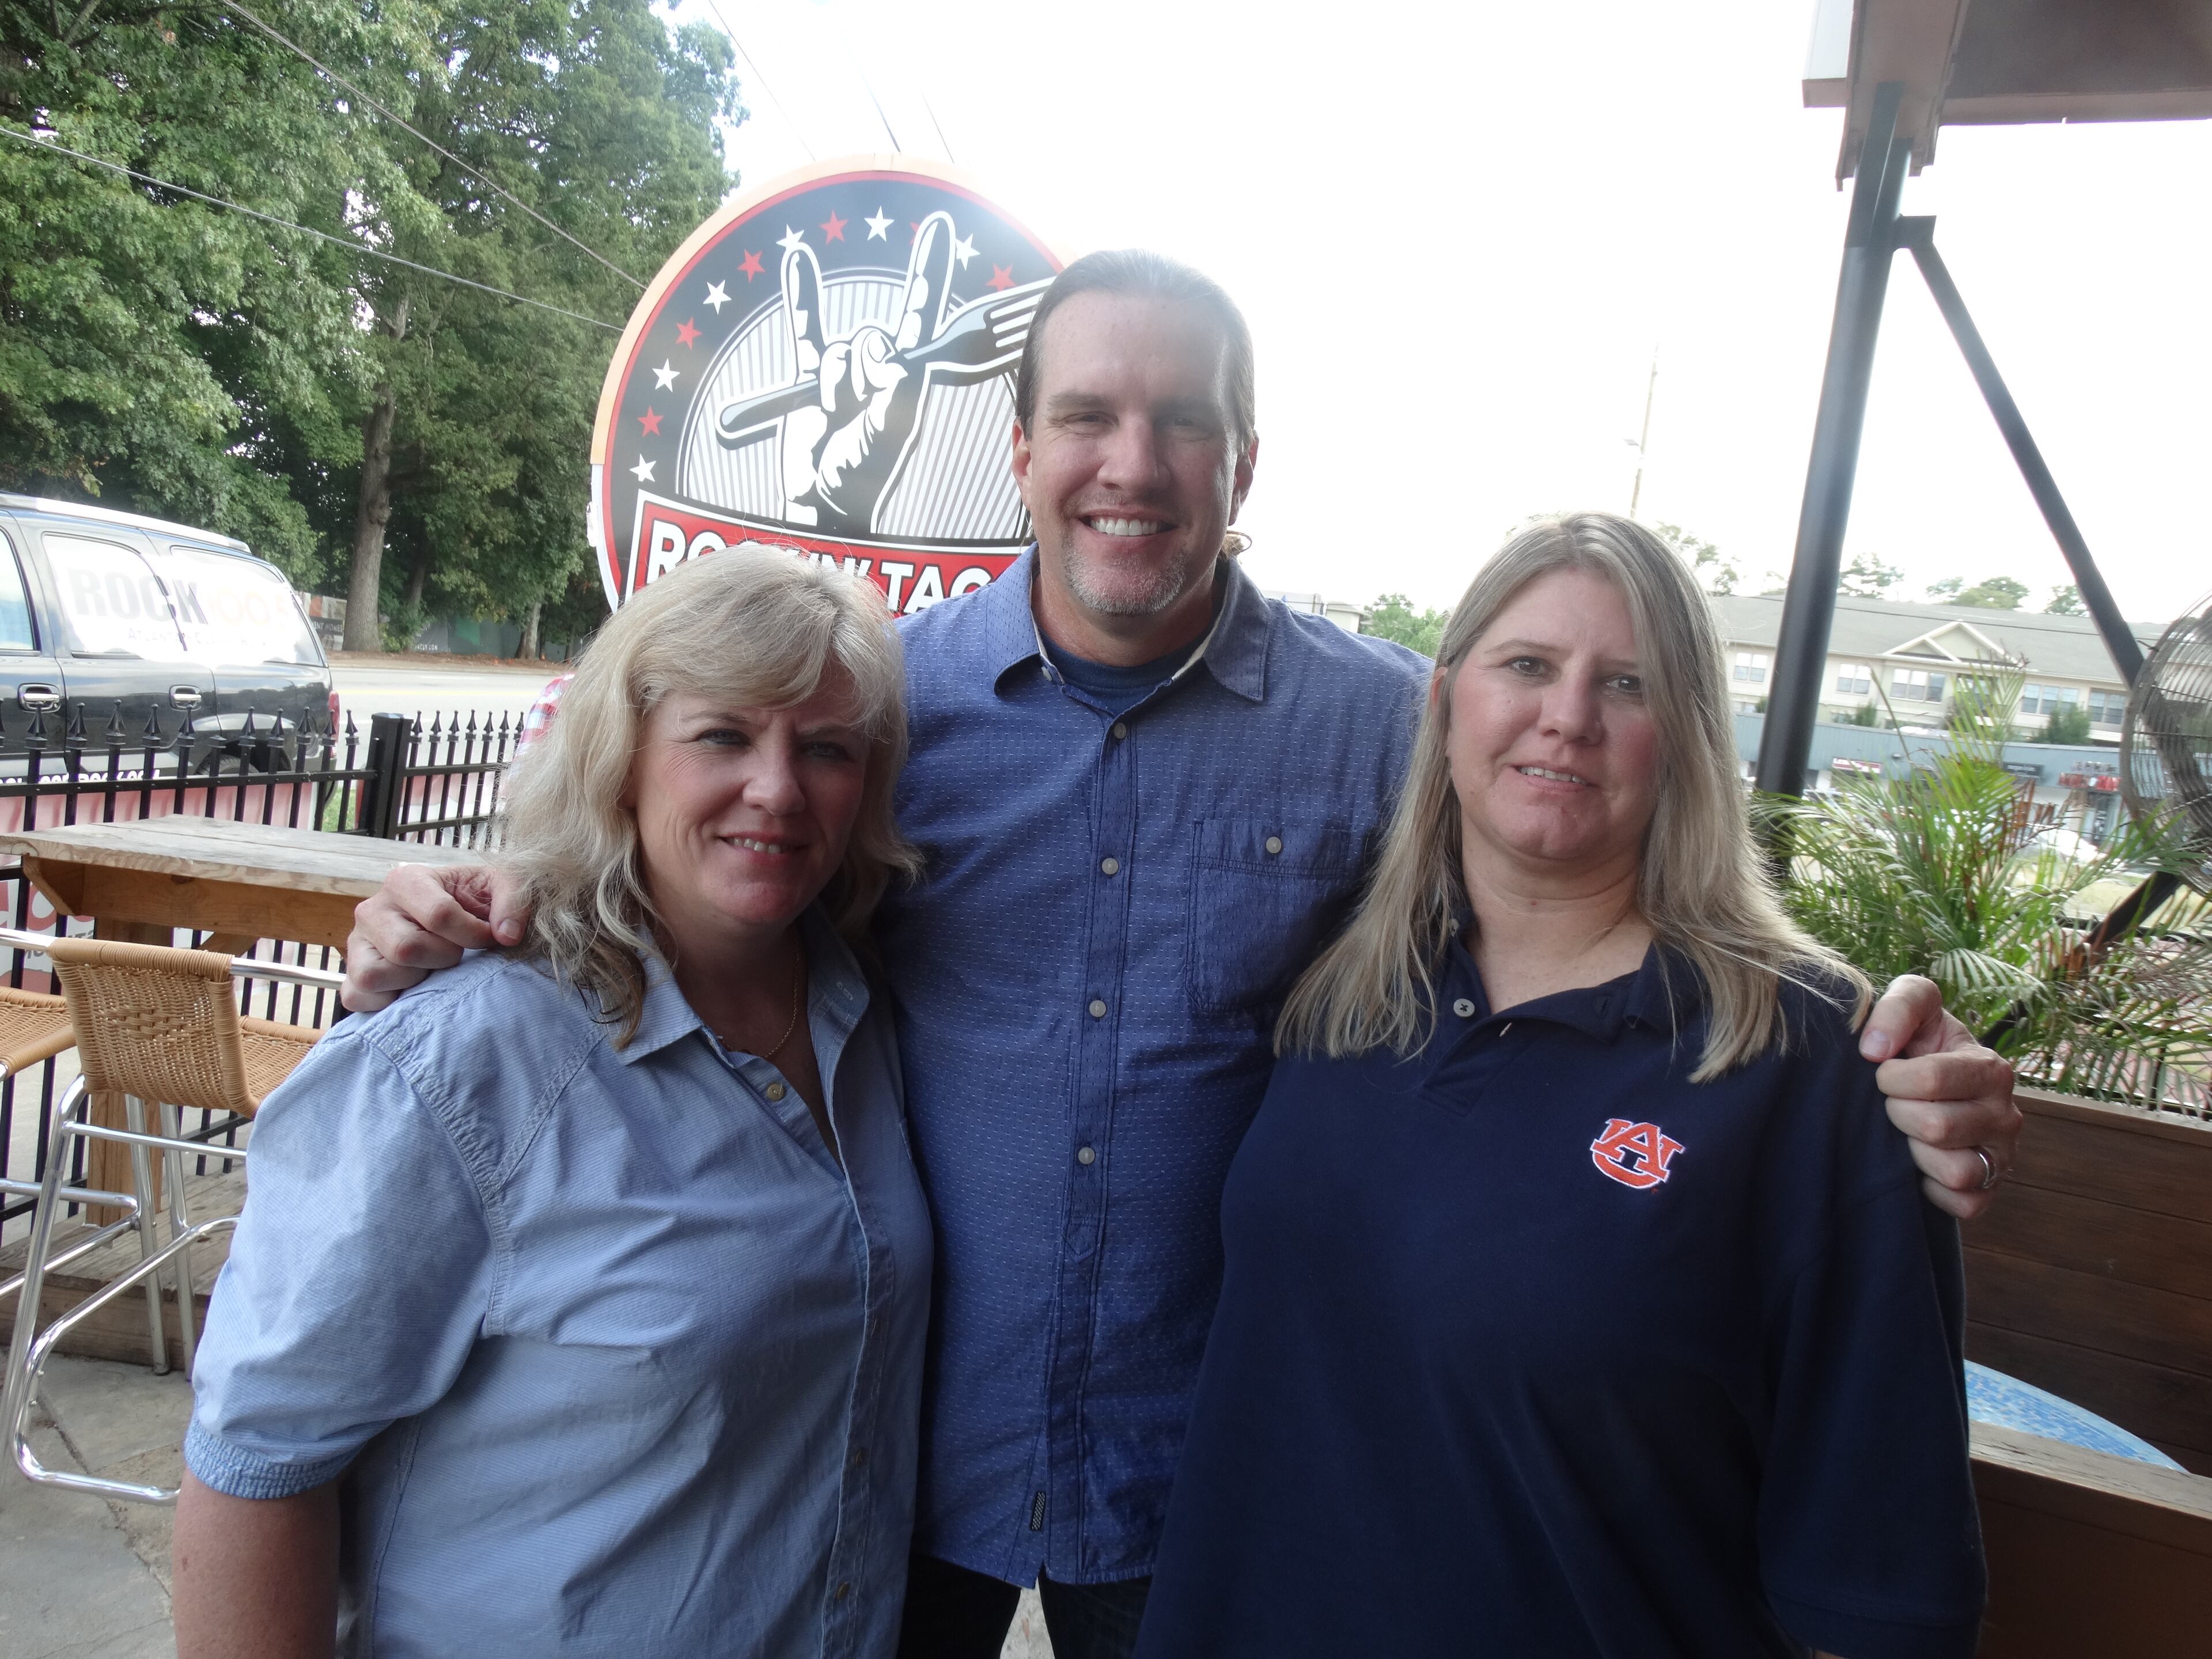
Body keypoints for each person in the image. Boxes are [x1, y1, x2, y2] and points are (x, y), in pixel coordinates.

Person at [339, 252, 2022, 1659]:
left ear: (1242, 464)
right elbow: (692, 840)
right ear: (1018, 452)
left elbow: (1596, 883)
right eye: (1086, 415)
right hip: (889, 1443)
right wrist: (472, 905)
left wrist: (1877, 1049)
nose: (1129, 463)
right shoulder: (883, 711)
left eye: (1181, 422)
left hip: (1208, 1483)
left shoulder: (1384, 727)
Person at [1135, 513, 1984, 1658]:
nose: (1568, 717)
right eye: (1528, 666)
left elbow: (1878, 1581)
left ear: (1680, 740)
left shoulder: (1804, 1060)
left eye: (1626, 684)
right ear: (1442, 708)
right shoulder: (1337, 988)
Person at [173, 550, 934, 1659]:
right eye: (723, 735)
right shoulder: (464, 1054)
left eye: (824, 749)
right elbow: (257, 1462)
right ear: (625, 761)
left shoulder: (867, 1010)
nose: (777, 787)